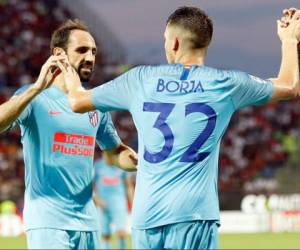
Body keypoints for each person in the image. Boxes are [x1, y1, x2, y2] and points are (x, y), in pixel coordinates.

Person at [64, 7, 300, 250]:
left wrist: (65, 65)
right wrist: (290, 39)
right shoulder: (226, 83)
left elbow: (77, 101)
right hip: (195, 215)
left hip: (148, 216)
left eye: (166, 40)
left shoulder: (139, 79)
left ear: (174, 42)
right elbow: (289, 86)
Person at [0, 19, 137, 249]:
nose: (90, 57)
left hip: (88, 223)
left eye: (93, 51)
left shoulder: (94, 104)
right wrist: (35, 88)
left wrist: (138, 161)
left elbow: (114, 153)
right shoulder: (35, 97)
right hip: (48, 222)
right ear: (59, 54)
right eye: (82, 50)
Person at [94, 152, 134, 250]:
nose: (107, 156)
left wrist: (133, 203)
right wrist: (97, 199)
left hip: (119, 203)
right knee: (105, 234)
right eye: (105, 154)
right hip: (103, 204)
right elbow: (90, 185)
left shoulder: (121, 165)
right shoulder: (98, 165)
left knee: (121, 232)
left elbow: (129, 186)